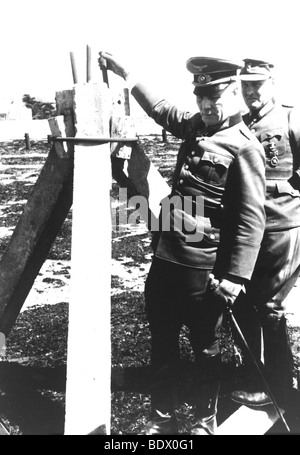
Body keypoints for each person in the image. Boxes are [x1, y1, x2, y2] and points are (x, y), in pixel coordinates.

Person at [100, 51, 266, 435]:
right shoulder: (196, 127)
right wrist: (128, 72)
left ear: (235, 92)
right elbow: (160, 109)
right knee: (162, 338)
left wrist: (236, 278)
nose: (207, 104)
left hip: (204, 268)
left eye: (216, 96)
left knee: (205, 345)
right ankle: (162, 420)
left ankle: (204, 422)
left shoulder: (245, 148)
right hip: (167, 257)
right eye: (201, 96)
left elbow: (251, 219)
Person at [230, 59, 300, 409]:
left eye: (257, 84)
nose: (251, 92)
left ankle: (278, 389)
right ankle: (254, 377)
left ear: (272, 82)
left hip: (281, 227)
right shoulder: (240, 124)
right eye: (245, 86)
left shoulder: (290, 118)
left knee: (270, 308)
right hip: (249, 230)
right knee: (245, 303)